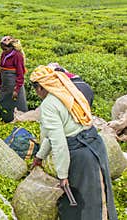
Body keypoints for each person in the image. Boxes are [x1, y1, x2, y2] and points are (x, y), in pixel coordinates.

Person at [30, 65, 117, 220]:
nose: (36, 93)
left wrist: (62, 175)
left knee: (87, 204)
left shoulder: (49, 105)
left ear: (41, 87)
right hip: (95, 145)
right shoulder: (68, 92)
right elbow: (52, 136)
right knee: (98, 197)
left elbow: (59, 143)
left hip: (82, 155)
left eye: (35, 88)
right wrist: (40, 156)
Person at [0, 36, 28, 123]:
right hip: (5, 85)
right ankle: (5, 121)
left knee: (18, 106)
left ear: (11, 48)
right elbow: (1, 70)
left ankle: (21, 121)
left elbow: (20, 74)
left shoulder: (17, 56)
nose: (4, 51)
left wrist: (16, 89)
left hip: (14, 85)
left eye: (5, 49)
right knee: (4, 104)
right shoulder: (3, 54)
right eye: (2, 49)